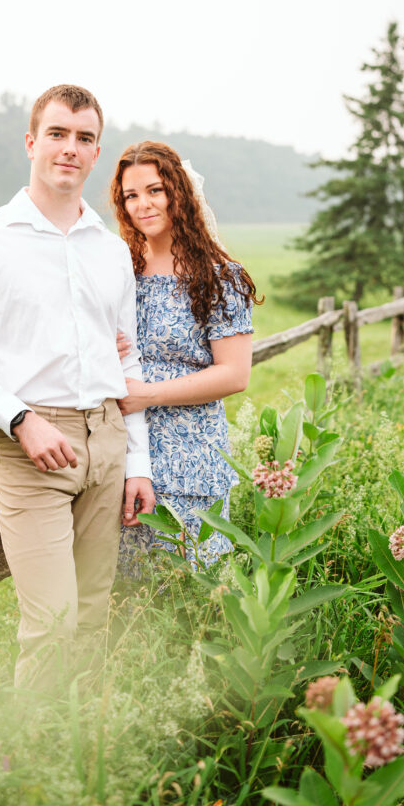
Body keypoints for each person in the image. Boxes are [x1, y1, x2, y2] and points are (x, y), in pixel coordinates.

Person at [0, 85, 155, 688]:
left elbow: (126, 369)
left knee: (90, 617)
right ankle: (26, 765)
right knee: (51, 623)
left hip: (106, 440)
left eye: (83, 138)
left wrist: (139, 463)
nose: (69, 149)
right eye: (57, 134)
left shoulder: (111, 252)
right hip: (32, 444)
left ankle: (80, 756)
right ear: (31, 141)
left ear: (96, 151)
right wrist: (20, 420)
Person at [110, 141, 259, 573]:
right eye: (130, 196)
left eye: (155, 190)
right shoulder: (122, 271)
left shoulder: (218, 278)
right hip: (125, 447)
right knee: (129, 589)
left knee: (193, 583)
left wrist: (148, 395)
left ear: (179, 192)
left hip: (189, 451)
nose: (143, 205)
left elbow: (234, 374)